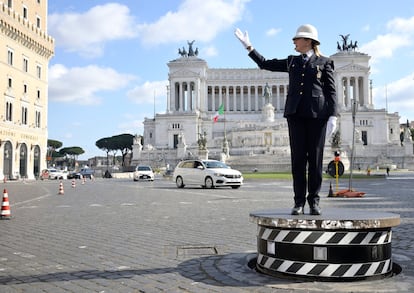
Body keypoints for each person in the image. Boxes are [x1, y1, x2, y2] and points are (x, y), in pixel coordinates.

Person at [235, 24, 338, 215]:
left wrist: (333, 115)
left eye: (297, 39)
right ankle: (298, 202)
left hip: (318, 116)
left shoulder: (325, 62)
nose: (294, 42)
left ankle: (314, 202)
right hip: (296, 115)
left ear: (308, 41)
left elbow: (331, 90)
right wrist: (249, 47)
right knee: (298, 161)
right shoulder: (292, 61)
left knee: (315, 161)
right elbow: (265, 63)